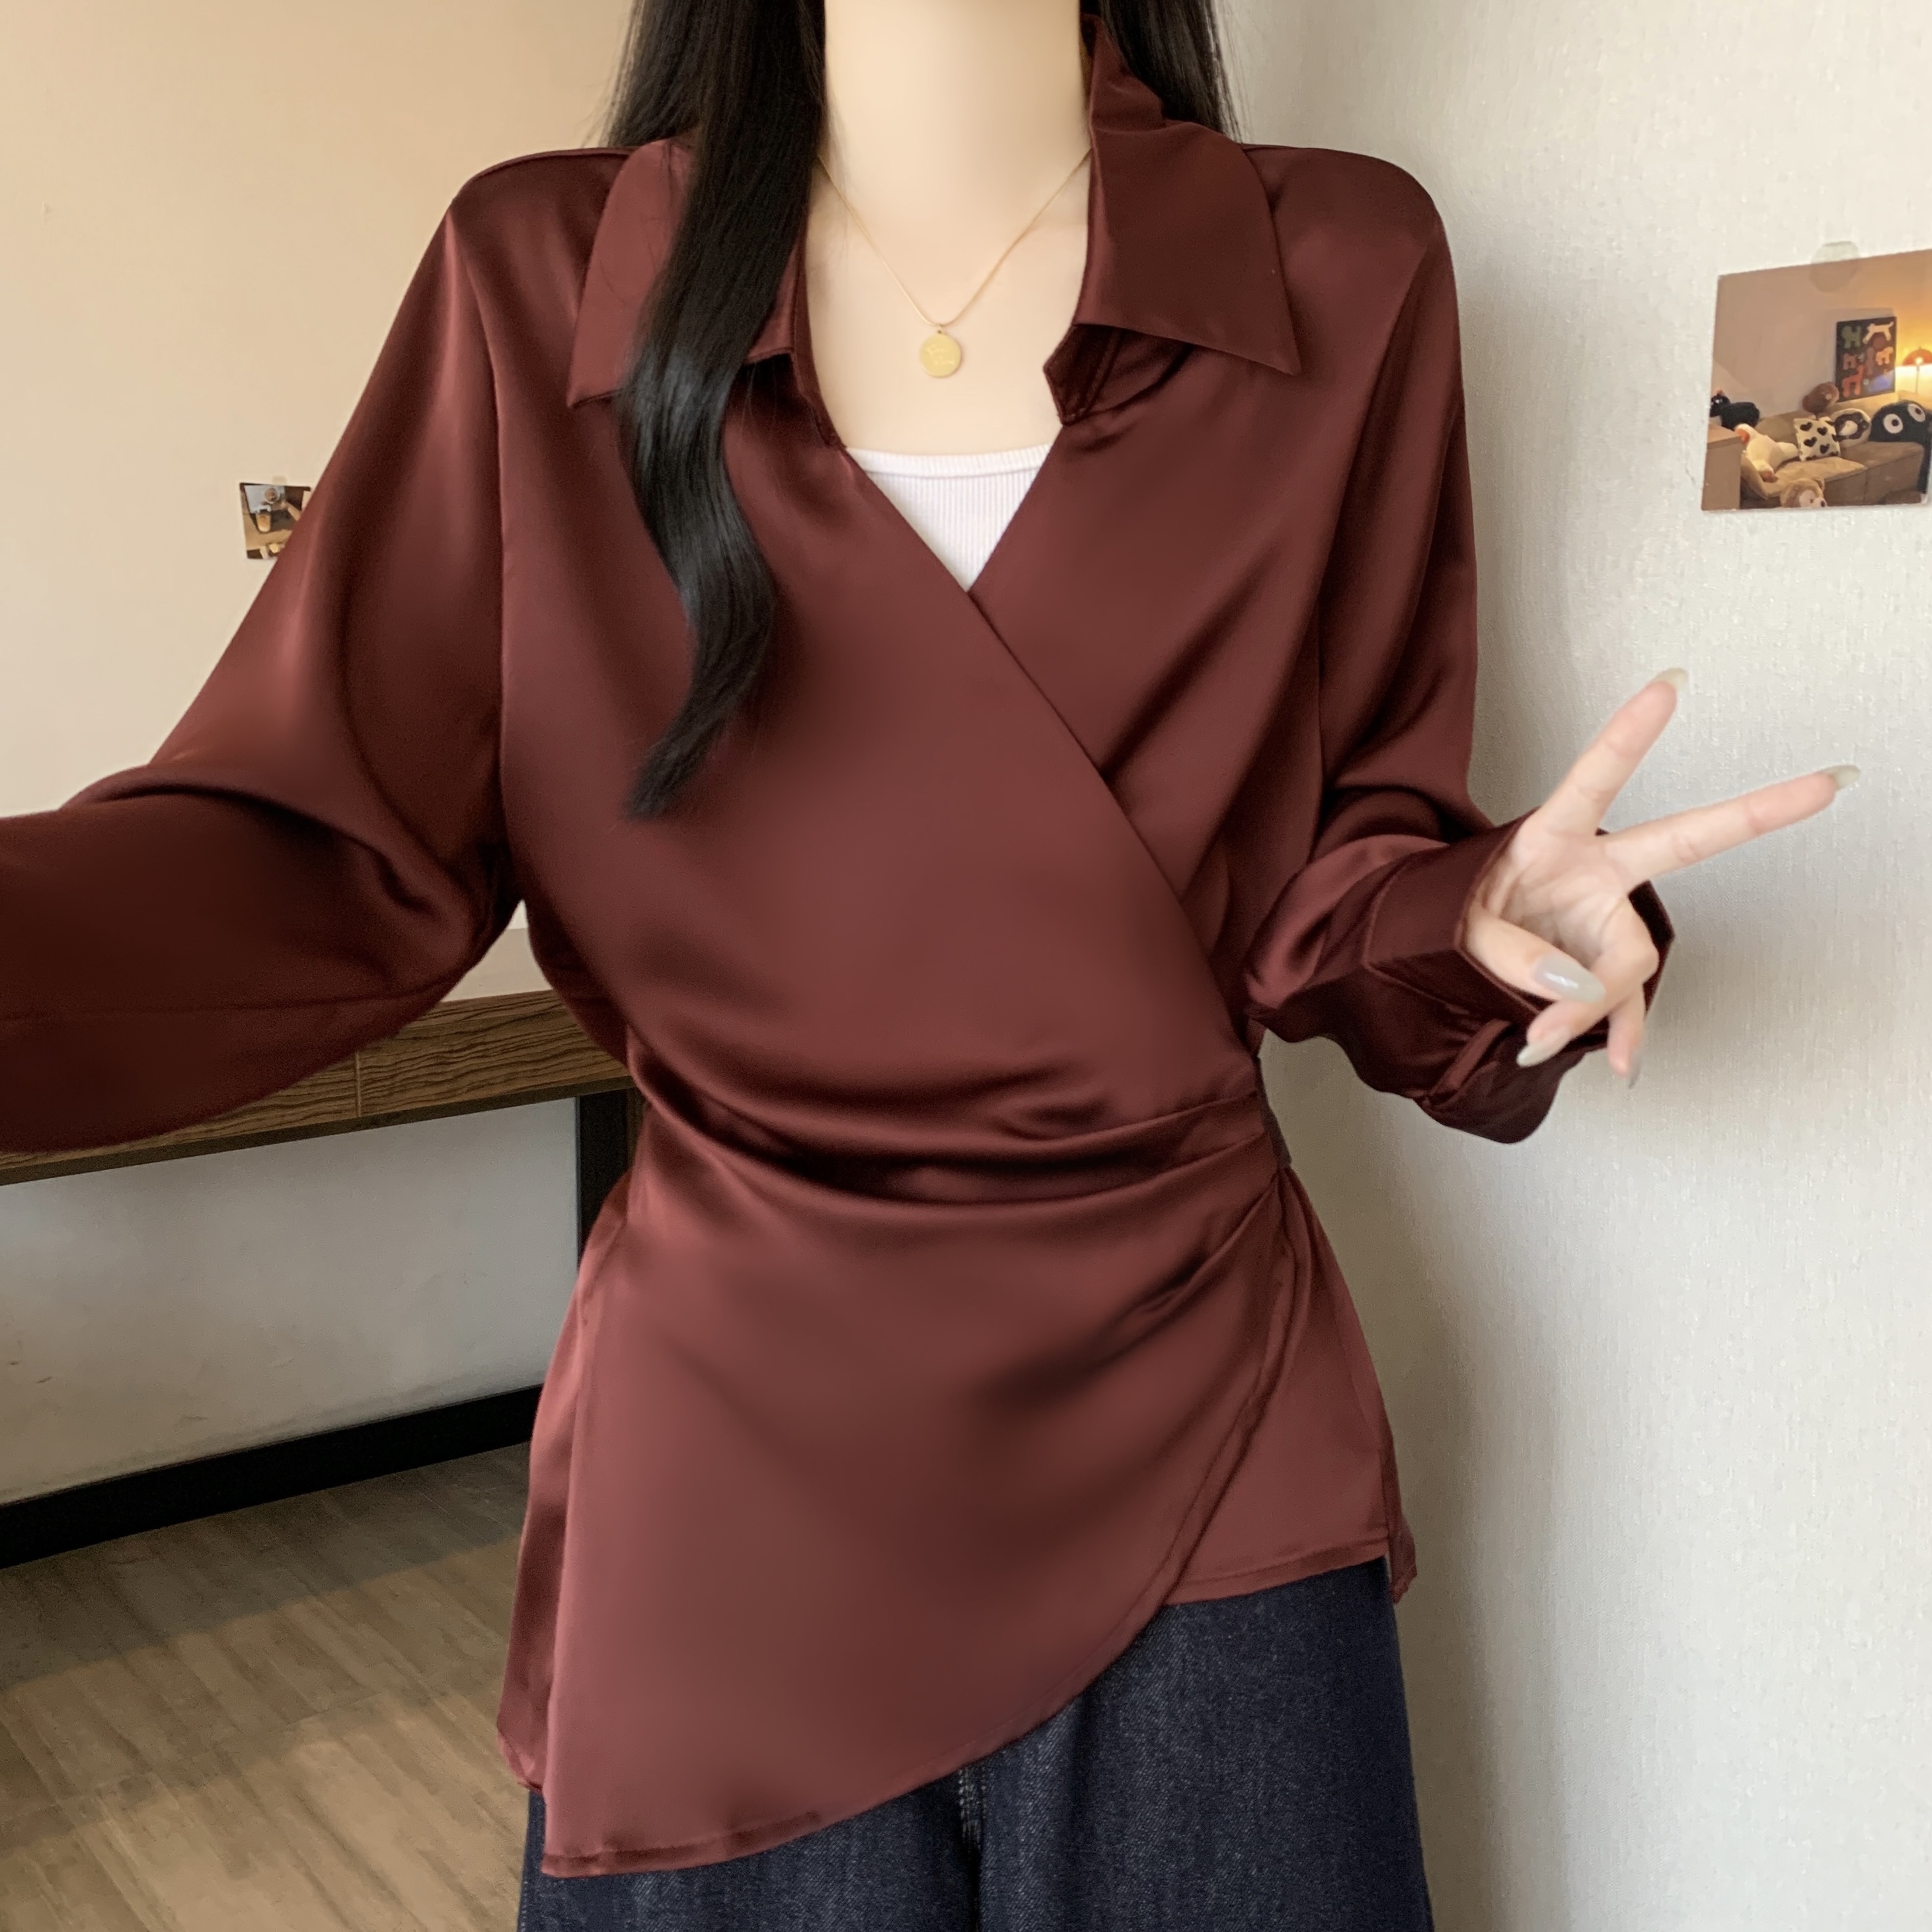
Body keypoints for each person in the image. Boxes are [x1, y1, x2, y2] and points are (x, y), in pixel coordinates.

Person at [0, 1, 1853, 1926]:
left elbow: (1342, 865)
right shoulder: (538, 272)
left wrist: (1467, 928)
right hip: (733, 1450)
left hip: (1201, 1400)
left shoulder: (1340, 262)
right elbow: (310, 852)